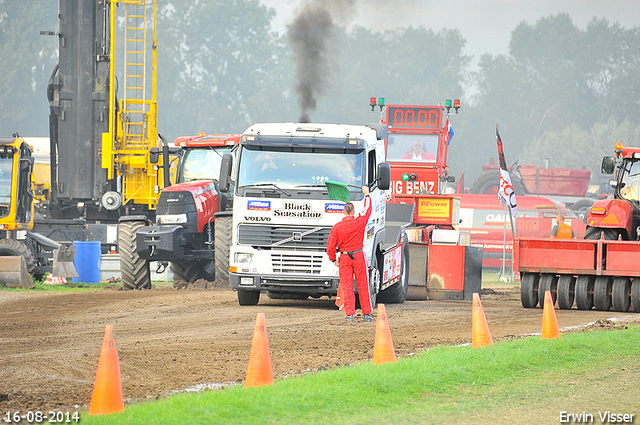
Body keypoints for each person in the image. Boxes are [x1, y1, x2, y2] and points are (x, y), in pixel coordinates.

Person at [326, 185, 373, 322]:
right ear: (353, 212)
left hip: (345, 257)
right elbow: (368, 210)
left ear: (343, 212)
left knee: (347, 286)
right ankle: (367, 314)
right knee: (363, 284)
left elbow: (330, 246)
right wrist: (367, 195)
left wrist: (333, 259)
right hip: (358, 255)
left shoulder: (337, 227)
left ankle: (350, 314)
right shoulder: (359, 222)